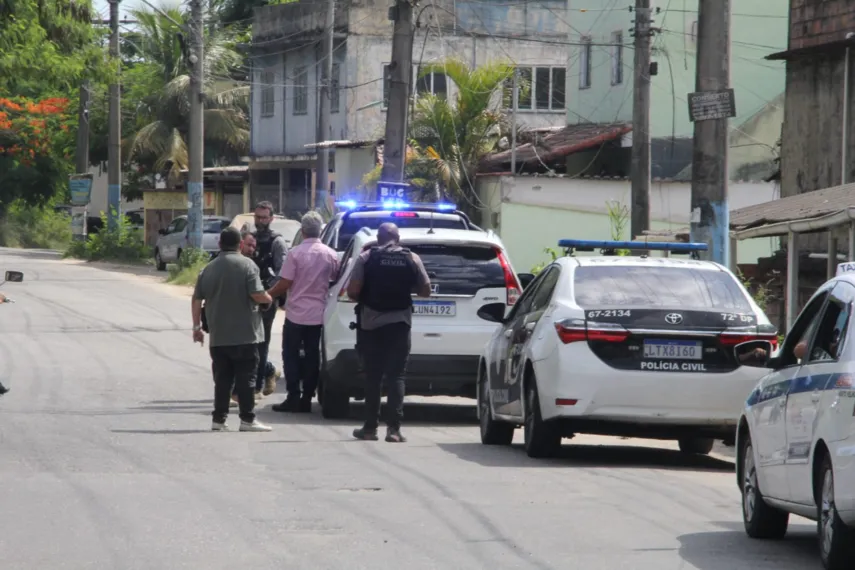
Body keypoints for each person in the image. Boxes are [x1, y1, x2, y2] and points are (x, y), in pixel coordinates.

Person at [346, 223, 431, 443]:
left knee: (373, 377)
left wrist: (370, 293)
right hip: (400, 324)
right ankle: (393, 430)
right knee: (397, 376)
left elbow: (353, 291)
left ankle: (369, 429)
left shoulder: (366, 258)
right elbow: (426, 290)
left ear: (378, 237)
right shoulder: (412, 258)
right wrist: (404, 289)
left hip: (370, 325)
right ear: (398, 238)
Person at [192, 226, 273, 432]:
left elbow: (197, 299)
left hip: (218, 336)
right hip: (245, 334)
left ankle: (218, 420)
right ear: (240, 244)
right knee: (247, 378)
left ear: (220, 244)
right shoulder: (248, 265)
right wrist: (268, 298)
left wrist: (196, 327)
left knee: (222, 379)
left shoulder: (208, 268)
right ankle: (247, 419)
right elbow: (257, 294)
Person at [267, 211, 338, 413]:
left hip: (296, 314)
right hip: (318, 315)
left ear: (303, 231)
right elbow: (335, 280)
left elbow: (286, 282)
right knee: (312, 357)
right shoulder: (330, 254)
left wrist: (268, 294)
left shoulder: (295, 253)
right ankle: (307, 398)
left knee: (290, 355)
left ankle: (293, 396)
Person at [249, 202, 287, 398]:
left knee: (261, 342)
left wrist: (268, 295)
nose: (260, 221)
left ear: (271, 219)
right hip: (247, 300)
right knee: (247, 343)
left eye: (264, 217)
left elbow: (283, 274)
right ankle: (269, 370)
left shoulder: (277, 242)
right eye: (257, 217)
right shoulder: (249, 239)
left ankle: (255, 387)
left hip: (267, 299)